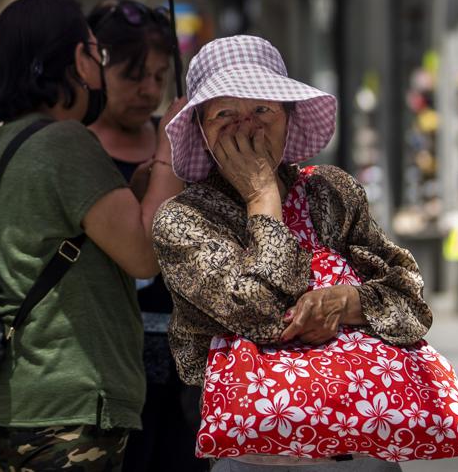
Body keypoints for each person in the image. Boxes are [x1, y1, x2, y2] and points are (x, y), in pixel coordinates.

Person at [153, 36, 434, 471]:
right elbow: (259, 313)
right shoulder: (183, 220)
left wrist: (346, 302)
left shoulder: (331, 191)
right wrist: (262, 196)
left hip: (360, 438)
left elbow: (411, 302)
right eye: (225, 115)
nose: (247, 128)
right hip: (257, 452)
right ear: (202, 133)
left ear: (287, 117)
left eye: (263, 111)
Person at [0, 0, 185, 472]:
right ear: (74, 60)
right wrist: (172, 143)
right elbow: (145, 257)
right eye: (95, 51)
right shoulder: (67, 141)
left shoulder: (9, 141)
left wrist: (136, 189)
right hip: (69, 405)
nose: (99, 61)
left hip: (18, 401)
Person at [85, 0, 205, 472]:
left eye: (159, 76)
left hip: (183, 362)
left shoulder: (175, 138)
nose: (148, 90)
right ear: (96, 69)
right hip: (112, 360)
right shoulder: (79, 148)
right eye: (134, 75)